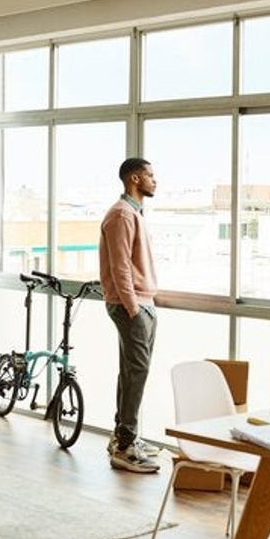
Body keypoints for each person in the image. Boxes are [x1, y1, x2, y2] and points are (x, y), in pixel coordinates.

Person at [100, 157, 161, 473]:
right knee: (136, 372)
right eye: (150, 175)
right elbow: (119, 266)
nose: (155, 180)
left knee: (131, 371)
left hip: (141, 302)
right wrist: (133, 307)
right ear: (135, 178)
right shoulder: (122, 215)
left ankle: (123, 436)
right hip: (131, 305)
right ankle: (125, 446)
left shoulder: (134, 213)